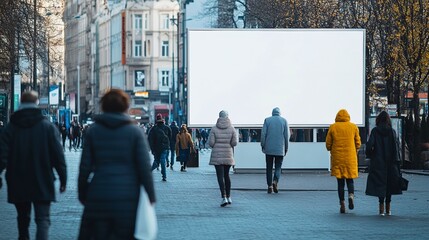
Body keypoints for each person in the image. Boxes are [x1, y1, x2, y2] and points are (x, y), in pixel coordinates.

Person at [78, 89, 156, 239]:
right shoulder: (135, 132)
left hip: (98, 195)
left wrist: (82, 193)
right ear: (125, 107)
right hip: (128, 197)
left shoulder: (93, 131)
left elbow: (84, 167)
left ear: (104, 106)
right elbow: (144, 168)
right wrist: (151, 196)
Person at [0, 90, 67, 240]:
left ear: (21, 103)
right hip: (42, 178)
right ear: (37, 103)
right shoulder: (48, 127)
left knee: (23, 219)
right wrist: (63, 178)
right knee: (43, 219)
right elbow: (58, 156)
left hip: (18, 178)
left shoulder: (11, 128)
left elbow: (2, 155)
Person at [365, 111, 402, 216]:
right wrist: (397, 162)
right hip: (391, 163)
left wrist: (371, 155)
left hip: (378, 162)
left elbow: (369, 146)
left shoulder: (375, 131)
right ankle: (388, 209)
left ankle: (381, 209)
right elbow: (396, 148)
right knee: (389, 185)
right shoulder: (392, 131)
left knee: (380, 184)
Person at [326, 109, 361, 214]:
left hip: (338, 158)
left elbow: (328, 144)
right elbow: (358, 143)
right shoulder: (353, 127)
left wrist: (331, 149)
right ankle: (351, 195)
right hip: (350, 158)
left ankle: (342, 204)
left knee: (340, 183)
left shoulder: (333, 127)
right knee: (350, 180)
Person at [209, 110, 238, 207]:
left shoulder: (214, 129)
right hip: (228, 155)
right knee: (227, 176)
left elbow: (211, 143)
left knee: (220, 177)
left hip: (217, 155)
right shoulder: (232, 129)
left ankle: (224, 197)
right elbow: (234, 143)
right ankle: (229, 196)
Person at [261, 107, 290, 194]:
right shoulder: (284, 121)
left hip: (269, 149)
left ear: (272, 113)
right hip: (280, 149)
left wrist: (262, 145)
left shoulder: (267, 120)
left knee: (269, 167)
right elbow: (286, 136)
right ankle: (275, 181)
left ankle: (269, 186)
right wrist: (286, 148)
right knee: (278, 167)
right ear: (279, 113)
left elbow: (263, 134)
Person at [148, 114, 172, 181]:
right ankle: (164, 176)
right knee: (163, 160)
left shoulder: (153, 129)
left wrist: (152, 149)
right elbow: (170, 137)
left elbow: (150, 139)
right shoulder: (167, 128)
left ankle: (148, 172)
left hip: (156, 148)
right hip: (164, 147)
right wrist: (167, 145)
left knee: (156, 161)